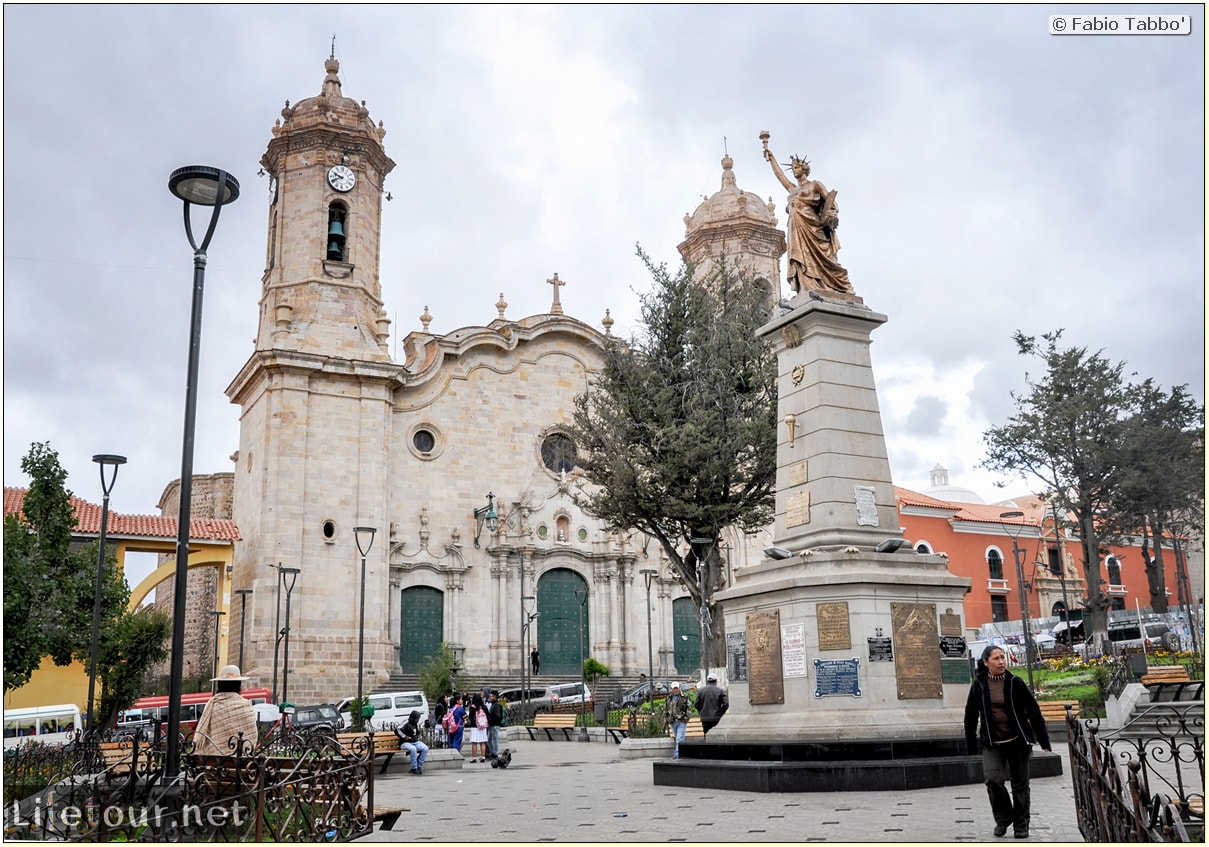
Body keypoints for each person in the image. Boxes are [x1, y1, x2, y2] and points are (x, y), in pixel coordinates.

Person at [964, 645, 1051, 839]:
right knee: (992, 779)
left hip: (1017, 741)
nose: (1001, 661)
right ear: (986, 662)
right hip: (992, 742)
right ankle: (1004, 819)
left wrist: (1043, 740)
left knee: (1020, 784)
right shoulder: (979, 684)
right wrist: (971, 744)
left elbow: (1033, 711)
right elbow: (970, 715)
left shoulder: (1015, 682)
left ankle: (1021, 823)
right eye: (996, 658)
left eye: (1002, 657)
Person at [761, 132, 853, 296]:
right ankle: (807, 287)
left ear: (804, 169)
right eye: (794, 168)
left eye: (797, 167)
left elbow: (831, 202)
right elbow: (780, 176)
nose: (794, 170)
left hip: (813, 227)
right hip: (797, 229)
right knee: (801, 257)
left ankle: (835, 285)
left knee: (824, 259)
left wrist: (831, 215)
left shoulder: (815, 185)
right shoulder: (793, 189)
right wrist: (772, 158)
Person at [193, 665, 259, 756]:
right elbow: (252, 737)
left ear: (219, 684)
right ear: (238, 684)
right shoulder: (246, 706)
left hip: (214, 763)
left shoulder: (213, 705)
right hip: (242, 763)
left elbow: (204, 736)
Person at [394, 710, 429, 775]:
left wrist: (417, 735)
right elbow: (397, 729)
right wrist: (404, 736)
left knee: (425, 748)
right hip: (405, 743)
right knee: (413, 749)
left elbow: (416, 732)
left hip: (414, 741)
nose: (418, 720)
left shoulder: (415, 723)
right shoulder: (406, 722)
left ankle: (419, 766)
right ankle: (414, 768)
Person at [664, 682, 693, 759]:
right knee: (678, 738)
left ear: (679, 688)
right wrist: (667, 718)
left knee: (679, 739)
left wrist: (686, 718)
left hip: (681, 721)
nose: (676, 690)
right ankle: (682, 753)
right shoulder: (669, 698)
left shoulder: (685, 697)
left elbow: (689, 708)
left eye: (677, 688)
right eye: (674, 688)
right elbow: (666, 709)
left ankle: (677, 755)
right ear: (672, 689)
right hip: (673, 722)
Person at [466, 693, 489, 763]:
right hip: (483, 726)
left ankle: (474, 757)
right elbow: (488, 714)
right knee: (482, 742)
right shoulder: (484, 707)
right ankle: (483, 757)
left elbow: (470, 717)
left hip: (475, 726)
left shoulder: (472, 707)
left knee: (474, 742)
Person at [485, 690, 504, 760]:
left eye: (492, 696)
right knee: (489, 739)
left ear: (495, 697)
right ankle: (492, 752)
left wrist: (490, 719)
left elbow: (497, 716)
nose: (490, 697)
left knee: (494, 739)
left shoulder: (497, 705)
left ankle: (495, 753)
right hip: (491, 724)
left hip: (495, 724)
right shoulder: (493, 704)